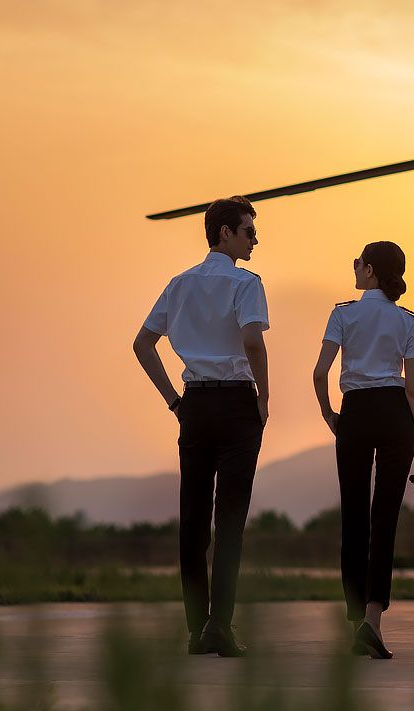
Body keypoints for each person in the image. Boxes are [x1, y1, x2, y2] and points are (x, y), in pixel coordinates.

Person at [132, 195, 270, 657]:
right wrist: (264, 398)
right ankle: (220, 627)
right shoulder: (246, 283)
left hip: (193, 406)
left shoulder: (179, 284)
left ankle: (196, 630)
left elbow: (143, 344)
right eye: (249, 231)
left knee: (192, 521)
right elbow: (252, 339)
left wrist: (174, 401)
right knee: (229, 521)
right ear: (225, 233)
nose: (255, 239)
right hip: (235, 405)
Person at [312, 241, 414, 659]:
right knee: (385, 522)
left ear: (370, 272)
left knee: (354, 518)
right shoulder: (408, 321)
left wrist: (330, 414)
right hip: (396, 415)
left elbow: (320, 372)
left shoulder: (343, 314)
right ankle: (373, 622)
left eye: (358, 262)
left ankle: (353, 622)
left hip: (356, 413)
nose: (354, 267)